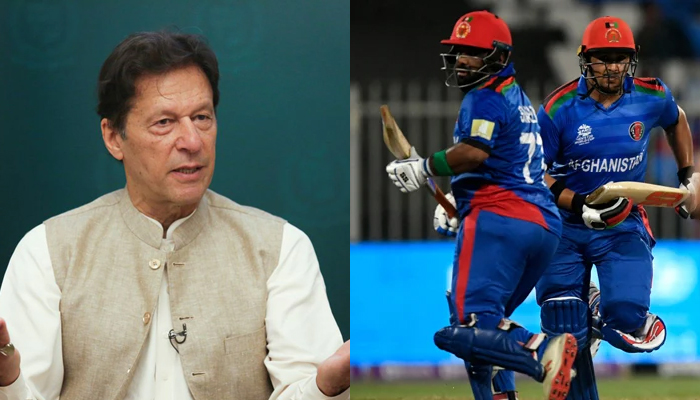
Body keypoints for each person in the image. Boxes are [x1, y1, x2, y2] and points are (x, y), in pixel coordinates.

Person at [0, 31, 349, 400]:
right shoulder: (48, 252)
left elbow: (302, 390)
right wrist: (7, 381)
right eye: (164, 122)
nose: (193, 141)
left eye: (201, 117)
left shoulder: (280, 248)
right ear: (114, 137)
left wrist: (326, 387)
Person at [385, 11, 577, 400]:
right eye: (458, 52)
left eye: (473, 52)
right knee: (486, 326)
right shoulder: (517, 98)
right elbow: (509, 165)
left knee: (463, 329)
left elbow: (474, 152)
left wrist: (424, 168)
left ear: (499, 56)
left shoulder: (485, 96)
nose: (462, 60)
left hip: (500, 218)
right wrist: (460, 200)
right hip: (541, 227)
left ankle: (544, 350)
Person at [536, 16, 693, 400]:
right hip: (564, 225)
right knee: (563, 327)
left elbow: (677, 121)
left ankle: (598, 307)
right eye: (603, 58)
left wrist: (689, 175)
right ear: (585, 59)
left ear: (631, 59)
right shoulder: (559, 108)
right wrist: (579, 201)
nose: (612, 67)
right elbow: (535, 173)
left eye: (620, 58)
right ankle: (583, 311)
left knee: (628, 323)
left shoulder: (652, 95)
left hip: (622, 223)